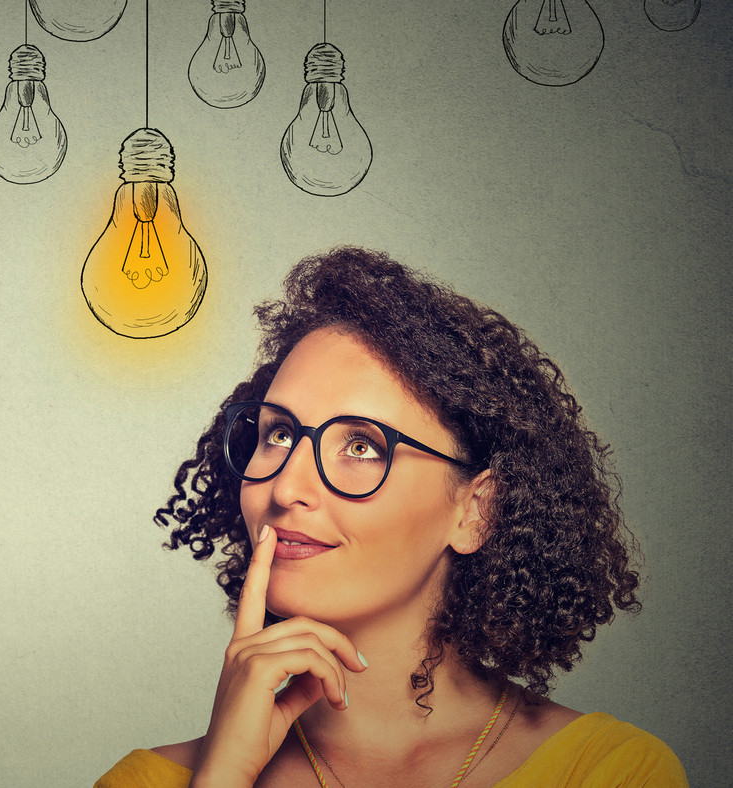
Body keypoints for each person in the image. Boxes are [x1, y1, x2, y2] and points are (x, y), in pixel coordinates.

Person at [95, 248, 687, 787]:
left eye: (361, 447)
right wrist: (222, 776)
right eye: (277, 434)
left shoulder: (610, 772)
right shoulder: (150, 781)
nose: (286, 486)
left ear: (475, 511)